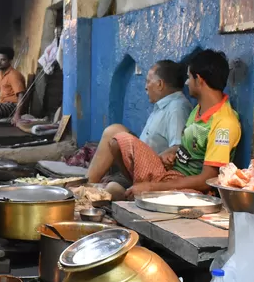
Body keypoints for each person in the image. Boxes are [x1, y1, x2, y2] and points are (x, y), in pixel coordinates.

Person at [104, 50, 241, 199]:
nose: (187, 83)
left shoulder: (224, 124)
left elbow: (207, 180)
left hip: (194, 189)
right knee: (118, 141)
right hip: (171, 175)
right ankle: (138, 190)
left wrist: (152, 187)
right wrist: (172, 153)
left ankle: (143, 192)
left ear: (199, 80)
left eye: (189, 77)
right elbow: (190, 149)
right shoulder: (199, 108)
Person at [87, 60, 192, 191]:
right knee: (114, 131)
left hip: (154, 173)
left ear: (160, 84)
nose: (146, 87)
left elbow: (177, 148)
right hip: (142, 165)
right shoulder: (163, 106)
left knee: (112, 189)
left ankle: (88, 186)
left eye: (148, 81)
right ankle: (87, 184)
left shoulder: (177, 108)